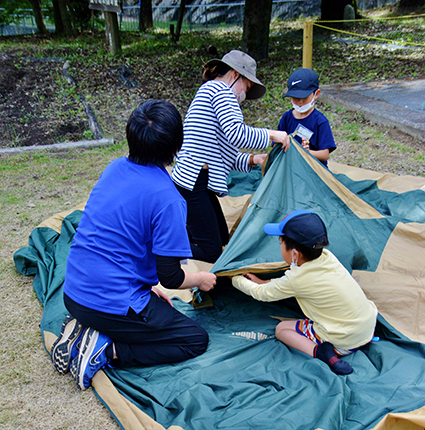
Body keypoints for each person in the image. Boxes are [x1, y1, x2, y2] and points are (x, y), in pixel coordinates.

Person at [51, 99, 216, 390]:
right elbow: (172, 277)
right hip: (109, 302)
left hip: (74, 292)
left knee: (150, 304)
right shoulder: (169, 200)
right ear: (176, 146)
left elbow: (116, 239)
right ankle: (106, 350)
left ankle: (85, 329)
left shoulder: (114, 168)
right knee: (194, 339)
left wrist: (147, 286)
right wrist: (200, 279)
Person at [172, 49, 290, 264]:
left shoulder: (212, 92)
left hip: (197, 181)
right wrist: (274, 135)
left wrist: (255, 160)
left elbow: (222, 154)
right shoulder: (220, 90)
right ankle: (162, 247)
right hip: (193, 183)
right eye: (247, 86)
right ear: (236, 74)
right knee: (212, 252)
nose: (244, 94)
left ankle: (178, 234)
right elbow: (238, 134)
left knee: (221, 237)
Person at [232, 210, 377, 375]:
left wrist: (235, 279)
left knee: (282, 329)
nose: (279, 246)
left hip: (343, 341)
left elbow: (262, 294)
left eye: (280, 243)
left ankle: (320, 352)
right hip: (366, 329)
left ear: (294, 254)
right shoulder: (327, 258)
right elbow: (283, 284)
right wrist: (263, 281)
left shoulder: (298, 278)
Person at [277, 68, 336, 166]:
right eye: (296, 98)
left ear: (316, 94)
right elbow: (276, 145)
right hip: (291, 166)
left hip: (314, 169)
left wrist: (307, 152)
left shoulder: (320, 121)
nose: (300, 102)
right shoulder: (286, 118)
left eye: (304, 97)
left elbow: (325, 154)